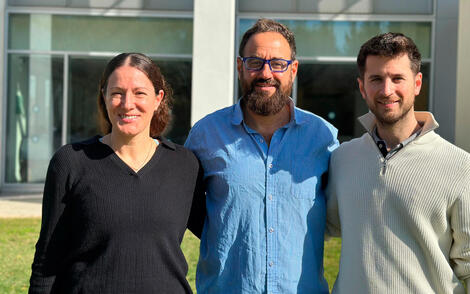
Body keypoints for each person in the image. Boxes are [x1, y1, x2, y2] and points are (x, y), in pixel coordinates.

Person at [326, 32, 470, 293]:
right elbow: (318, 226)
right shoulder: (342, 159)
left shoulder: (461, 167)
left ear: (417, 83)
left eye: (397, 78)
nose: (386, 90)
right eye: (376, 79)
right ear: (362, 87)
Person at [29, 53, 205, 294]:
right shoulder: (71, 162)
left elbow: (218, 232)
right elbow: (47, 260)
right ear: (104, 97)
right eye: (117, 93)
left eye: (139, 93)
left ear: (158, 98)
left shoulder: (185, 165)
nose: (127, 103)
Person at [184, 19, 339, 293]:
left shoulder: (323, 138)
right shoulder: (205, 136)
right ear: (239, 67)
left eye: (278, 64)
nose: (265, 73)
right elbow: (189, 213)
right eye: (254, 62)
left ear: (293, 70)